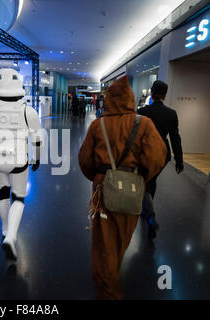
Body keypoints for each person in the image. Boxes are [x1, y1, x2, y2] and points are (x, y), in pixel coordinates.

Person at [78, 76, 166, 300]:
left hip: (102, 190)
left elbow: (85, 160)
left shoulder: (99, 125)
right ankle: (110, 280)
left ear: (108, 98)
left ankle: (108, 288)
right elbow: (157, 158)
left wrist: (100, 177)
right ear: (130, 98)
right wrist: (140, 178)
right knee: (121, 238)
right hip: (132, 190)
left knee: (104, 241)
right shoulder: (143, 124)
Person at [0, 68, 42, 260]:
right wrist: (37, 158)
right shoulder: (29, 111)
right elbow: (37, 141)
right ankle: (11, 237)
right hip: (19, 161)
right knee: (18, 197)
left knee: (2, 190)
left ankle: (4, 229)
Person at [138, 80, 184, 239]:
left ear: (151, 93)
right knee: (151, 181)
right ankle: (146, 210)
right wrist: (179, 159)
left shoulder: (143, 111)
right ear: (164, 95)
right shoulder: (172, 114)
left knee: (145, 183)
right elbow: (175, 137)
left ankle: (149, 214)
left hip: (144, 152)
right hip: (162, 154)